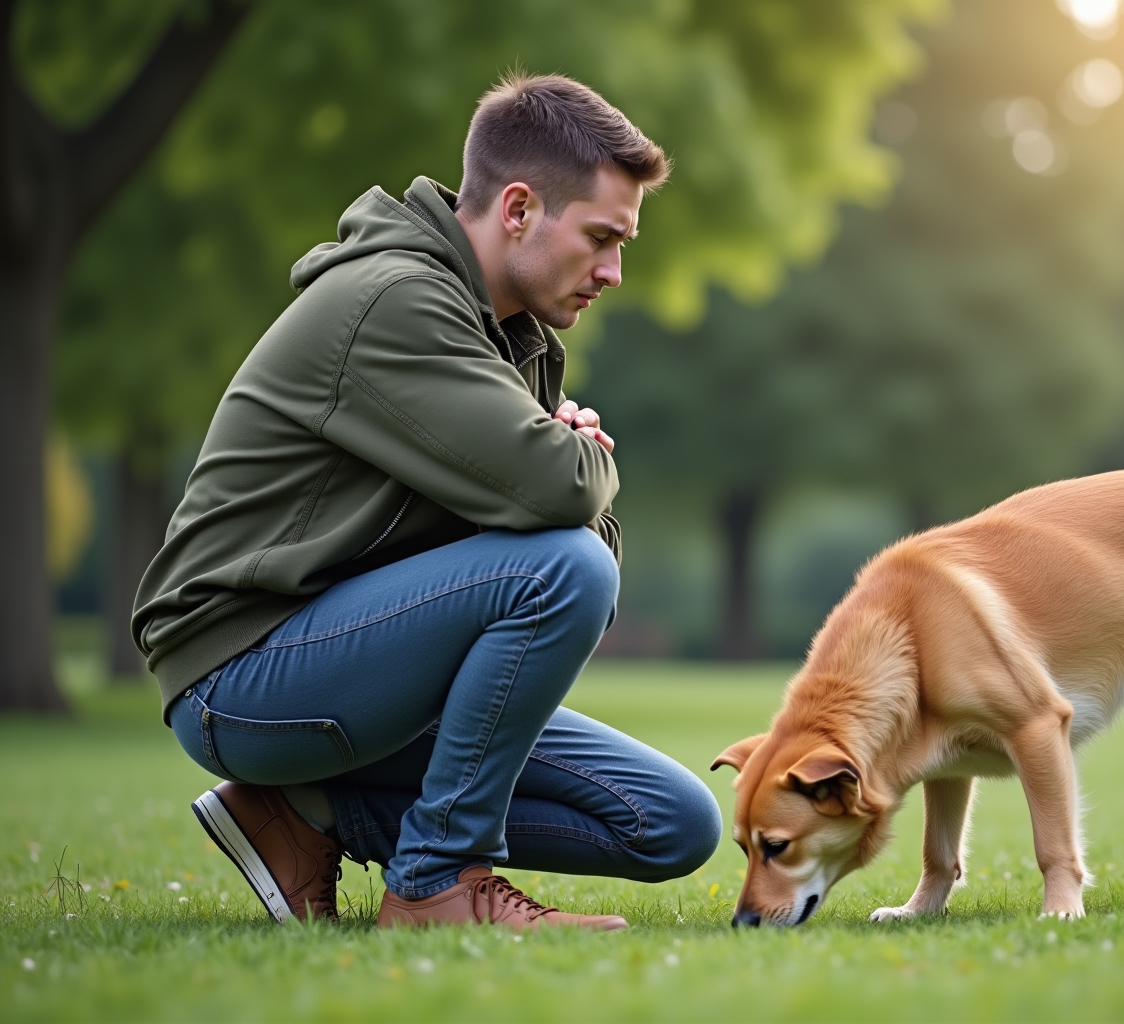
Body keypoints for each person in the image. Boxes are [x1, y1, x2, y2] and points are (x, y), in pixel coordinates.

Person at [133, 74, 721, 930]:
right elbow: (563, 512)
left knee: (672, 824)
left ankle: (306, 818)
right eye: (601, 237)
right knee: (564, 570)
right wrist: (580, 460)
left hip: (360, 666)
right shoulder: (396, 302)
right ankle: (436, 882)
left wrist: (567, 481)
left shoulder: (506, 335)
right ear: (518, 209)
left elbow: (577, 545)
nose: (614, 272)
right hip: (241, 674)